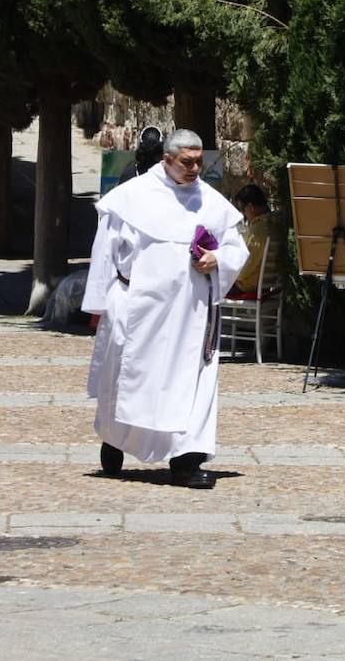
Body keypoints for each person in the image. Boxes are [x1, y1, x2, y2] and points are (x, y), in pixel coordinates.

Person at [81, 128, 248, 488]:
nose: (194, 169)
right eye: (187, 162)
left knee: (193, 386)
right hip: (139, 311)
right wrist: (97, 307)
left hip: (191, 314)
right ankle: (114, 441)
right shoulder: (129, 199)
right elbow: (105, 252)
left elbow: (237, 247)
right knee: (130, 382)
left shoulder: (211, 201)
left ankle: (186, 461)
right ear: (167, 159)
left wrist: (217, 259)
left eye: (199, 161)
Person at [231, 184, 274, 295]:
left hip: (247, 285)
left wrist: (229, 275)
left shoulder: (258, 230)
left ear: (250, 207)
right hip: (266, 284)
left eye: (242, 209)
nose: (243, 214)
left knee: (208, 284)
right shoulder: (274, 224)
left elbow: (247, 264)